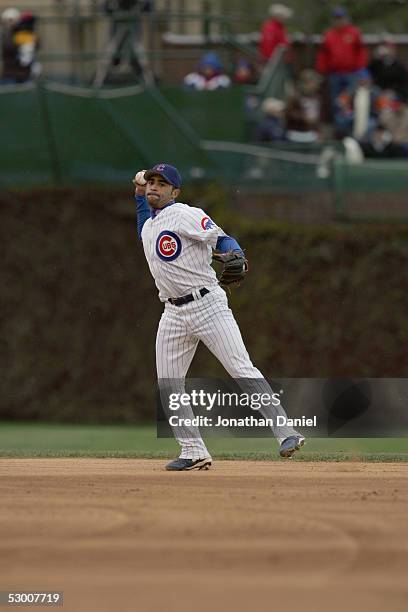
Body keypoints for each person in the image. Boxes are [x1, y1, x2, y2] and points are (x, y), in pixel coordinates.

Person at [132, 163, 305, 471]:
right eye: (151, 182)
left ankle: (286, 433)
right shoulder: (148, 225)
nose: (154, 187)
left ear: (175, 191)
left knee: (240, 368)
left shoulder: (185, 213)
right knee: (169, 384)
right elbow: (144, 221)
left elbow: (221, 239)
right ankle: (193, 450)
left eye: (162, 183)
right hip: (172, 312)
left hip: (207, 304)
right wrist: (137, 193)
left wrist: (235, 251)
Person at [315, 6, 368, 114]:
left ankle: (351, 123)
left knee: (352, 98)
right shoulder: (329, 35)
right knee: (336, 100)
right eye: (336, 18)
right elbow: (323, 54)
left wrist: (360, 69)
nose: (339, 21)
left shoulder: (354, 33)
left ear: (346, 19)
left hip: (351, 73)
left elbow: (361, 52)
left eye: (341, 18)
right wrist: (321, 69)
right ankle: (339, 126)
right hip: (334, 74)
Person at [1, 7, 39, 83]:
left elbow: (34, 47)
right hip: (9, 73)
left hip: (25, 73)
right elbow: (8, 47)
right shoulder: (5, 34)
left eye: (12, 20)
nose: (10, 23)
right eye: (8, 20)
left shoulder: (25, 34)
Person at [285, 68, 322, 143]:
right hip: (296, 135)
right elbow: (289, 113)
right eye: (313, 82)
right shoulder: (294, 96)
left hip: (311, 134)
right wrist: (304, 118)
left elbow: (316, 116)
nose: (316, 85)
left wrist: (318, 131)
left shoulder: (316, 97)